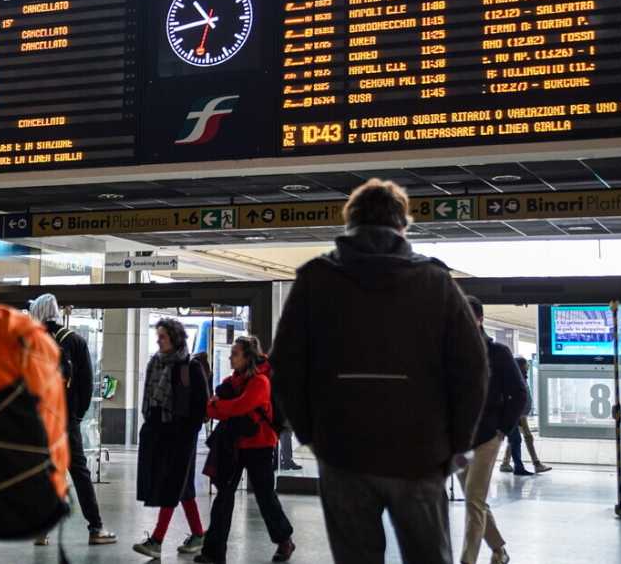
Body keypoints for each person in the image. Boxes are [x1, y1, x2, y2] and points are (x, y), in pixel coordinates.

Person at [270, 178, 488, 564]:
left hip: (342, 451)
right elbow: (472, 369)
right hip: (420, 453)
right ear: (403, 225)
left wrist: (313, 434)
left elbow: (286, 364)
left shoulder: (315, 280)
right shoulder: (435, 281)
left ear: (348, 223)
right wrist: (453, 443)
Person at [195, 336, 295, 564]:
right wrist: (219, 407)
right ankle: (213, 553)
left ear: (247, 357)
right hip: (236, 445)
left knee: (265, 496)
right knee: (224, 497)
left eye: (235, 354)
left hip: (260, 445)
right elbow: (214, 409)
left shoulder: (261, 382)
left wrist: (219, 406)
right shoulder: (233, 381)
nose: (230, 358)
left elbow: (239, 406)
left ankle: (284, 540)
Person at [27, 293, 117, 546]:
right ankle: (96, 528)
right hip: (65, 419)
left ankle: (41, 531)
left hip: (41, 419)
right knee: (79, 472)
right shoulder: (75, 341)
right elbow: (87, 384)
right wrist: (76, 415)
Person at [458, 297, 529, 564]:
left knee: (474, 501)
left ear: (479, 320)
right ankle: (499, 550)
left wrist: (501, 430)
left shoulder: (498, 353)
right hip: (461, 439)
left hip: (488, 437)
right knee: (474, 499)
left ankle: (468, 560)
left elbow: (519, 394)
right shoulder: (453, 353)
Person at [134, 318, 210, 559]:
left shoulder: (190, 367)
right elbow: (148, 398)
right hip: (159, 432)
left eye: (163, 336)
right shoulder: (154, 363)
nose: (158, 340)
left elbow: (202, 406)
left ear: (175, 338)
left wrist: (186, 432)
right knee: (183, 487)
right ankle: (199, 534)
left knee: (172, 484)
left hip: (182, 436)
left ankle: (157, 540)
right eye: (158, 336)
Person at [500, 356, 552, 476]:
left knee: (515, 440)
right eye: (525, 366)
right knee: (525, 437)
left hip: (520, 414)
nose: (527, 369)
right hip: (518, 415)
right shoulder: (516, 380)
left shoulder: (521, 378)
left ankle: (506, 463)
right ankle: (535, 463)